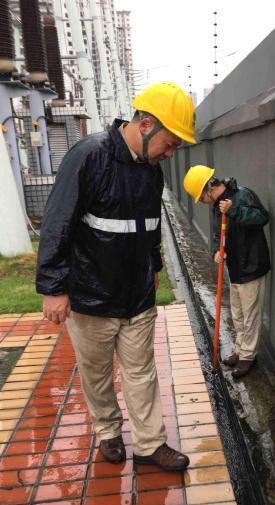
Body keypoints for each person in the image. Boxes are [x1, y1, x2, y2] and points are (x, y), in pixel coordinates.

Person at [36, 82, 196, 471]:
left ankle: (149, 443)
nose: (171, 153)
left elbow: (150, 226)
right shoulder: (89, 157)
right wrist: (54, 287)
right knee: (97, 372)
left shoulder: (151, 172)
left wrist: (154, 268)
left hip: (137, 295)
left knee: (142, 371)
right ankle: (108, 431)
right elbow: (58, 222)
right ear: (145, 124)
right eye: (170, 142)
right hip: (91, 295)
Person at [183, 165, 270, 378]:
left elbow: (262, 217)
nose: (201, 202)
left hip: (251, 264)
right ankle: (241, 349)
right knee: (238, 313)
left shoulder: (243, 195)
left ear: (208, 189)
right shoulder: (216, 206)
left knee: (250, 315)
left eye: (200, 197)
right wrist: (216, 250)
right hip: (235, 267)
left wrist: (234, 210)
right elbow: (216, 233)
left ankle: (248, 356)